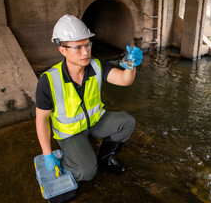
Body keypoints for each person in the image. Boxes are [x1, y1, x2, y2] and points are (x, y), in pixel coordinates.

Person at [35, 14, 143, 181]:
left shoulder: (97, 65)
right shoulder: (48, 81)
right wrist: (47, 154)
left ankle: (105, 158)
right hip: (70, 134)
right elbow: (41, 120)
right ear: (62, 50)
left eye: (87, 45)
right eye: (78, 47)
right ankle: (71, 158)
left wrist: (131, 64)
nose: (85, 52)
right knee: (86, 172)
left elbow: (124, 80)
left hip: (94, 122)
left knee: (126, 122)